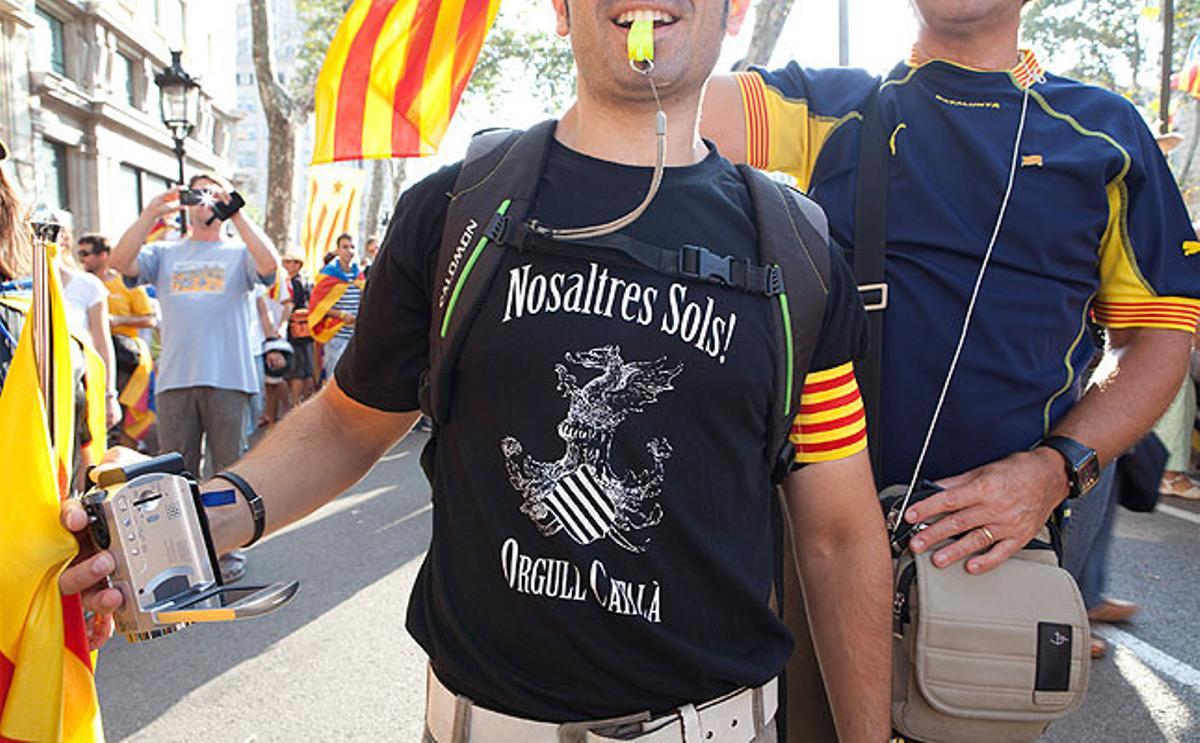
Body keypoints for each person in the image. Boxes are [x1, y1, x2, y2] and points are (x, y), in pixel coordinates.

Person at [62, 1, 894, 739]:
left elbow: (840, 532)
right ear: (562, 11)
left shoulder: (798, 253)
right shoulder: (455, 210)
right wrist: (208, 517)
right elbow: (350, 421)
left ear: (735, 9)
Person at [701, 0, 1200, 735]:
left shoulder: (1106, 133)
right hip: (824, 540)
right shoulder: (830, 103)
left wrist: (1054, 470)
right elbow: (660, 104)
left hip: (1002, 553)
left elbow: (1157, 339)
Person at [110, 172, 278, 583]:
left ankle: (226, 549)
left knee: (228, 468)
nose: (204, 202)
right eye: (196, 193)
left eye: (211, 193)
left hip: (229, 378)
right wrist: (152, 211)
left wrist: (236, 213)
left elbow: (270, 267)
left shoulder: (239, 253)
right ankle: (180, 553)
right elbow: (119, 263)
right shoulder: (165, 253)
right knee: (174, 474)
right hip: (176, 380)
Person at [77, 233, 159, 446]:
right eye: (79, 253)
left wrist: (116, 320)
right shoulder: (78, 284)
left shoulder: (127, 283)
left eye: (86, 253)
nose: (81, 259)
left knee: (124, 417)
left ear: (103, 255)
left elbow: (150, 318)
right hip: (87, 359)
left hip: (125, 360)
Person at [308, 232, 363, 382]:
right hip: (335, 334)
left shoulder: (359, 275)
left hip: (355, 335)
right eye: (345, 247)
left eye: (352, 247)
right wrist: (341, 315)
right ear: (338, 250)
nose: (349, 251)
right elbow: (316, 306)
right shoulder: (328, 275)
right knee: (334, 378)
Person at [280, 251, 315, 406]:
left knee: (296, 374)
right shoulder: (305, 280)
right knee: (306, 372)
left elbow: (291, 305)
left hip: (295, 332)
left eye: (289, 262)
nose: (285, 265)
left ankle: (296, 407)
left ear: (297, 264)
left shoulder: (295, 283)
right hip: (305, 332)